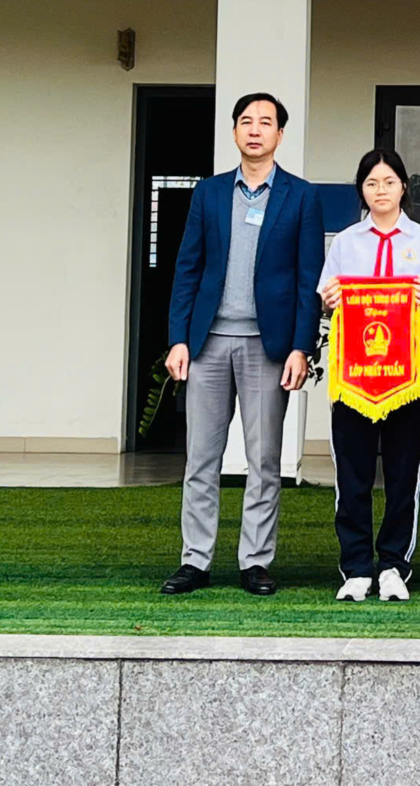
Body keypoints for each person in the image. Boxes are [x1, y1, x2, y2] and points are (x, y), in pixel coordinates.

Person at [161, 92, 324, 598]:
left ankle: (255, 561)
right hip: (208, 343)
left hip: (268, 347)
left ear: (280, 135)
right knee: (200, 460)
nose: (255, 130)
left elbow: (309, 280)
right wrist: (178, 339)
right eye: (247, 121)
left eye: (266, 122)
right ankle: (195, 560)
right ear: (234, 131)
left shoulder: (301, 197)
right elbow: (187, 269)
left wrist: (301, 347)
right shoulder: (208, 193)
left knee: (264, 461)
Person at [318, 148, 420, 602]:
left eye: (389, 182)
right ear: (362, 190)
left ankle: (394, 564)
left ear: (403, 187)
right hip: (353, 372)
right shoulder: (345, 242)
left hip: (407, 373)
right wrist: (329, 302)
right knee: (352, 471)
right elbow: (327, 300)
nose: (381, 191)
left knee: (402, 471)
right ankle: (355, 567)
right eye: (372, 183)